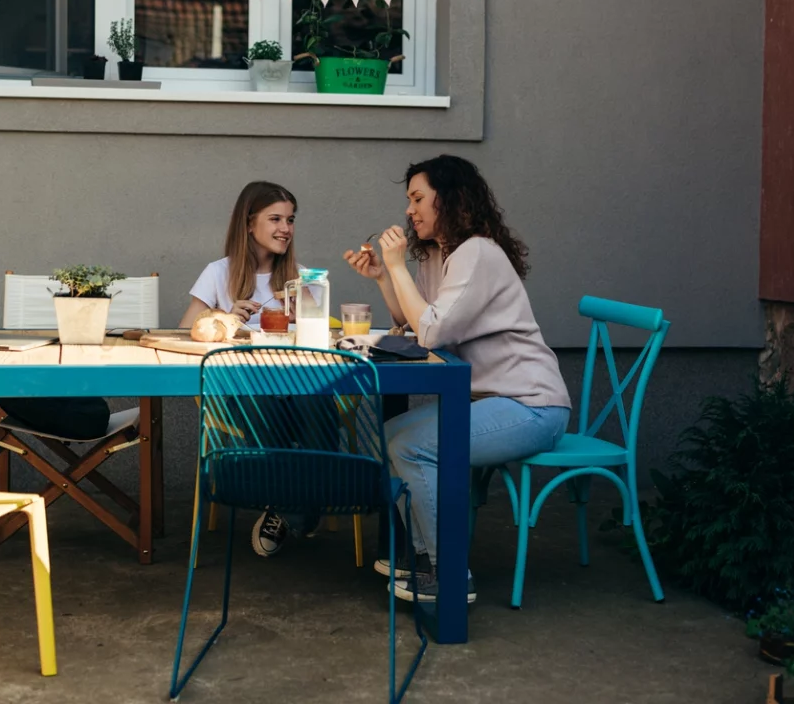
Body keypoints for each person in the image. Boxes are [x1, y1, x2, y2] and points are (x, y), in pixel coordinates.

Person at [343, 155, 572, 604]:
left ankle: (447, 574)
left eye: (418, 198)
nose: (409, 210)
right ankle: (422, 554)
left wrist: (396, 267)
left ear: (448, 199)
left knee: (412, 445)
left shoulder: (477, 253)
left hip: (532, 406)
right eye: (408, 200)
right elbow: (415, 318)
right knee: (391, 434)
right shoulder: (440, 253)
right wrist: (384, 279)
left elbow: (431, 331)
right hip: (494, 403)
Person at [180, 180, 324, 558]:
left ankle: (290, 504)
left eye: (291, 220)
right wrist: (224, 319)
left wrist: (304, 315)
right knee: (267, 402)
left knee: (318, 401)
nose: (286, 229)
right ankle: (305, 502)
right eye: (275, 218)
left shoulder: (301, 278)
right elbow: (183, 335)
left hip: (297, 389)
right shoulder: (218, 273)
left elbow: (322, 339)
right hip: (243, 392)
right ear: (248, 223)